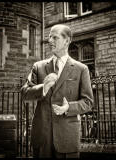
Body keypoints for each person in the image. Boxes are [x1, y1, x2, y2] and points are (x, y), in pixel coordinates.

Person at [21, 24, 93, 158]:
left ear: (67, 41)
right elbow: (24, 93)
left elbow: (88, 102)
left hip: (67, 138)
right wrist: (43, 88)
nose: (50, 41)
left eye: (55, 37)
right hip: (42, 137)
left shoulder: (81, 69)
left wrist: (68, 107)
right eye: (49, 37)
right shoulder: (38, 66)